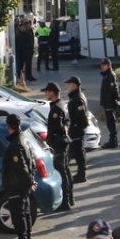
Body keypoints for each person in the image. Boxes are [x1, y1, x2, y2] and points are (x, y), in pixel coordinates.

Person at [2, 112, 36, 239]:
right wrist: (31, 180)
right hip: (22, 186)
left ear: (8, 126)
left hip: (16, 186)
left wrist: (29, 181)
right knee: (25, 214)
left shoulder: (15, 144)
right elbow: (32, 162)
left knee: (18, 216)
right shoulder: (25, 139)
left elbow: (21, 166)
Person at [43, 82, 74, 210]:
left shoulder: (56, 108)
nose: (45, 94)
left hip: (59, 144)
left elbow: (58, 127)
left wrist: (53, 140)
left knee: (61, 172)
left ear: (52, 92)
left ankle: (65, 201)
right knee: (65, 170)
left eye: (46, 92)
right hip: (62, 142)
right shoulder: (61, 105)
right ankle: (70, 198)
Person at [66, 76, 90, 183]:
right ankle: (80, 173)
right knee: (75, 152)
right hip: (75, 130)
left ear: (75, 86)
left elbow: (82, 118)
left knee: (79, 152)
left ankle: (81, 174)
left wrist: (77, 128)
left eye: (69, 85)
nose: (67, 87)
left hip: (77, 130)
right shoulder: (75, 97)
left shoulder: (78, 99)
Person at [98, 58, 120, 149]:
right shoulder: (106, 75)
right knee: (109, 121)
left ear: (108, 65)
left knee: (111, 121)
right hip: (107, 102)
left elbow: (113, 90)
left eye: (104, 65)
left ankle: (113, 141)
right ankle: (112, 140)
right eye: (101, 65)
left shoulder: (110, 75)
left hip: (109, 102)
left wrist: (115, 98)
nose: (102, 67)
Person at [14, 18, 36, 83]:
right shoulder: (19, 32)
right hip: (21, 52)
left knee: (29, 65)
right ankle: (20, 77)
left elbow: (32, 40)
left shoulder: (29, 30)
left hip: (29, 51)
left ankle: (29, 76)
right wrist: (24, 50)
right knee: (20, 65)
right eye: (28, 24)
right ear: (24, 25)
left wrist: (32, 49)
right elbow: (20, 43)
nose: (29, 25)